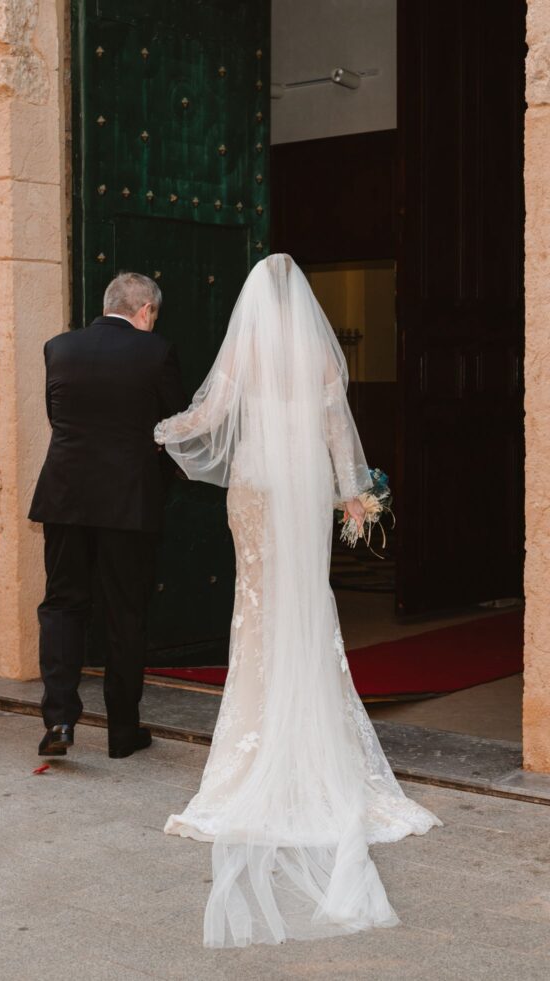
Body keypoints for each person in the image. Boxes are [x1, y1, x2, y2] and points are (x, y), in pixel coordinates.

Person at [154, 254, 440, 947]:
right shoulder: (318, 353)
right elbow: (340, 431)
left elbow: (211, 414)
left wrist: (162, 428)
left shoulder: (246, 347)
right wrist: (353, 493)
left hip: (254, 488)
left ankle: (257, 744)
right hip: (307, 488)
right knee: (307, 604)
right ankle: (312, 732)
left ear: (255, 304)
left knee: (256, 611)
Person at [28, 272, 187, 758]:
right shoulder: (155, 351)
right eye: (152, 315)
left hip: (65, 497)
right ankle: (122, 731)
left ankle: (58, 722)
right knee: (125, 612)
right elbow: (173, 423)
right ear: (144, 310)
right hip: (127, 503)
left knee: (62, 604)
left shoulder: (59, 347)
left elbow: (59, 418)